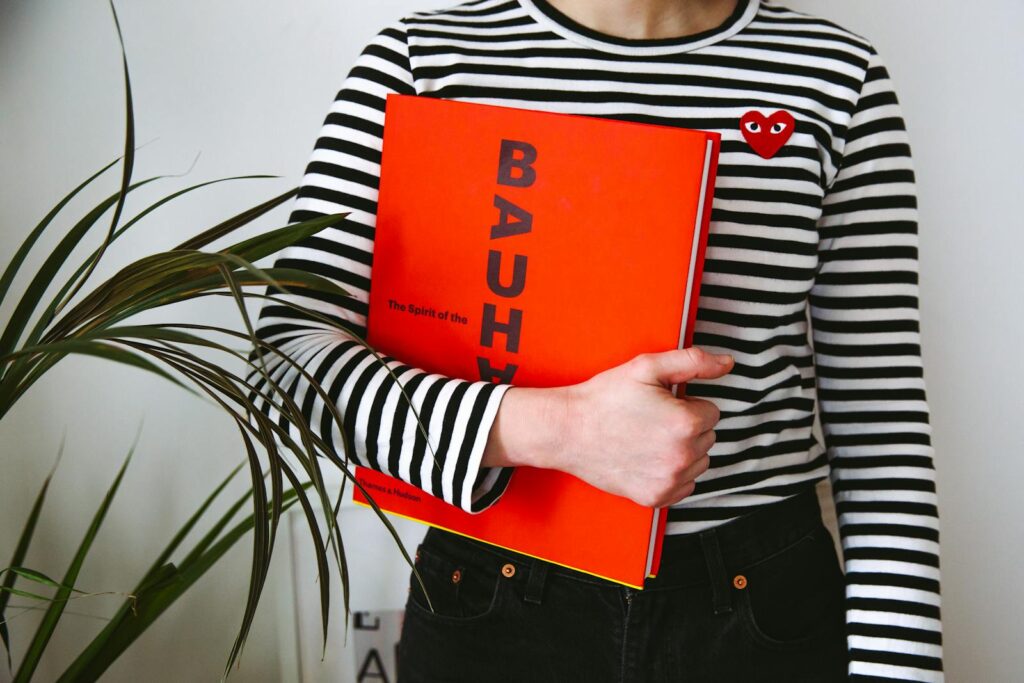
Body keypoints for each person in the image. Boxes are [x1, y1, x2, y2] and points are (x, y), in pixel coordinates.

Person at [250, 0, 943, 680]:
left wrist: (902, 666)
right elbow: (287, 364)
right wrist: (557, 430)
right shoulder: (423, 64)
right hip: (492, 591)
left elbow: (881, 426)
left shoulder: (837, 77)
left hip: (761, 604)